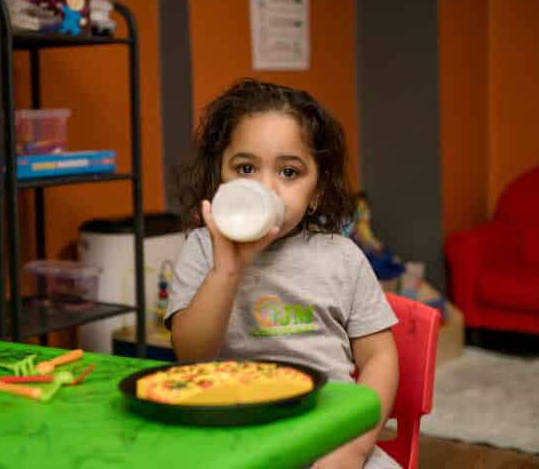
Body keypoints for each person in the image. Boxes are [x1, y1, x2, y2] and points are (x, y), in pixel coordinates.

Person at [165, 79, 400, 469]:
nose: (265, 187)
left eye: (289, 173)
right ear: (219, 178)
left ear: (318, 192)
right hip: (229, 434)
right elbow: (191, 356)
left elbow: (379, 356)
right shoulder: (203, 250)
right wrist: (227, 270)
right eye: (245, 168)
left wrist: (356, 446)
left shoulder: (341, 257)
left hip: (329, 434)